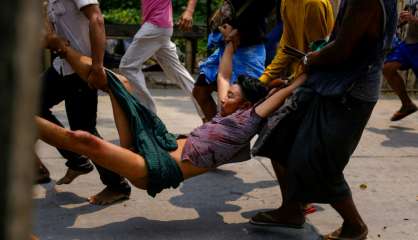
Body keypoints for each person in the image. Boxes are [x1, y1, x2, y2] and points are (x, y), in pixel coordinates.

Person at [37, 25, 305, 199]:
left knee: (86, 141)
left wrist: (300, 77)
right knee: (120, 82)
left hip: (156, 168)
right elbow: (224, 74)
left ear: (247, 106)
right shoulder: (227, 112)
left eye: (231, 96)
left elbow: (279, 96)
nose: (223, 100)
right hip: (154, 141)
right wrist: (230, 45)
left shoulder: (248, 121)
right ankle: (61, 46)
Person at [251, 0, 397, 239]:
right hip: (327, 82)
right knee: (279, 136)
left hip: (350, 91)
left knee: (320, 161)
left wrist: (309, 60)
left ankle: (354, 226)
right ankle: (291, 209)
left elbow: (341, 49)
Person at [40, 0, 131, 205]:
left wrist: (98, 66)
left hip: (83, 70)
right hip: (61, 66)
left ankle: (117, 185)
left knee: (85, 130)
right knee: (30, 108)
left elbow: (97, 19)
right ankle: (77, 160)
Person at [191, 0, 276, 122]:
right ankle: (213, 132)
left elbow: (266, 6)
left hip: (248, 47)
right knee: (201, 91)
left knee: (247, 103)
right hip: (226, 42)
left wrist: (238, 31)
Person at [118, 0, 202, 116]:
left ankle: (149, 116)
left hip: (155, 26)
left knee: (127, 67)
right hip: (160, 27)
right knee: (179, 74)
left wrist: (189, 11)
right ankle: (208, 113)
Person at [259, 0, 334, 86]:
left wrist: (289, 82)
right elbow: (287, 47)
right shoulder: (287, 2)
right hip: (297, 75)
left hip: (315, 79)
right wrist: (264, 79)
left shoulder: (313, 4)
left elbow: (317, 58)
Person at [383, 2, 418, 121]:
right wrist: (402, 21)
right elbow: (408, 19)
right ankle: (407, 104)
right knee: (388, 69)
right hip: (408, 45)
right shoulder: (413, 2)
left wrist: (414, 19)